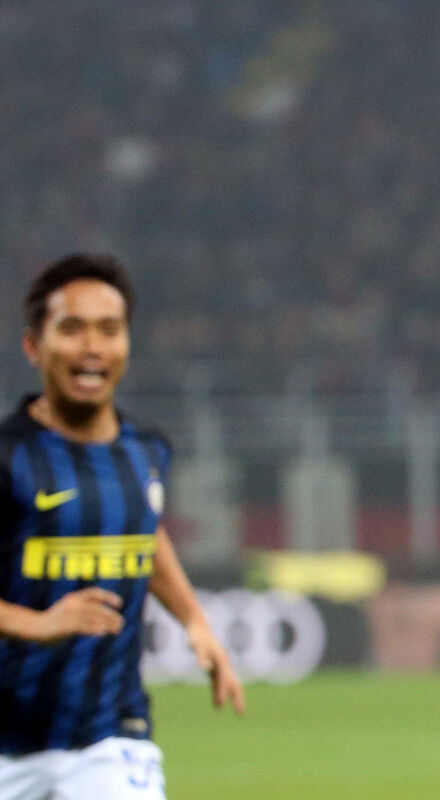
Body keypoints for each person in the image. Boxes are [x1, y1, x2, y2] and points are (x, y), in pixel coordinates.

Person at [0, 253, 245, 799]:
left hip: (110, 739)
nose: (92, 346)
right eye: (72, 329)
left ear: (126, 345)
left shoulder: (147, 451)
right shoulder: (10, 458)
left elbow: (144, 533)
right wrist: (36, 623)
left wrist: (195, 622)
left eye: (108, 330)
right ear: (33, 346)